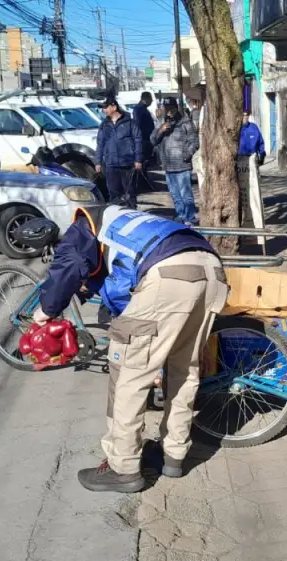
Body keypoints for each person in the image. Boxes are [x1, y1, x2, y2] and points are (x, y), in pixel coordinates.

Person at [33, 206, 229, 493]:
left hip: (168, 275)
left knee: (130, 375)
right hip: (212, 271)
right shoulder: (127, 220)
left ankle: (122, 467)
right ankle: (173, 455)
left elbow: (70, 266)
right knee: (184, 368)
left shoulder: (81, 227)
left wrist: (45, 310)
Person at [151, 98, 200, 225]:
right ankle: (181, 215)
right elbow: (153, 140)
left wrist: (186, 155)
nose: (169, 112)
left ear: (176, 108)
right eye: (166, 109)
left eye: (171, 109)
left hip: (182, 165)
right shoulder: (161, 122)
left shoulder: (185, 122)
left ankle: (190, 217)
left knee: (186, 194)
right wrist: (160, 130)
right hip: (168, 165)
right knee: (175, 194)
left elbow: (194, 141)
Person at [95, 95, 143, 207]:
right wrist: (98, 161)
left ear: (114, 107)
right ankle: (117, 217)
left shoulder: (130, 123)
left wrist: (138, 160)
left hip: (127, 164)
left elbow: (138, 141)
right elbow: (100, 143)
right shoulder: (104, 125)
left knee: (129, 193)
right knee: (114, 194)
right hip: (111, 165)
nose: (103, 110)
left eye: (106, 107)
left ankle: (132, 214)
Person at [236, 111, 267, 228]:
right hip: (239, 161)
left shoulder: (253, 128)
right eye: (243, 115)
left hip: (251, 161)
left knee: (253, 190)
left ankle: (254, 217)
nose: (245, 117)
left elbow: (260, 143)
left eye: (246, 115)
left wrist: (262, 155)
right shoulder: (236, 129)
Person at [133, 92, 156, 167]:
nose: (152, 101)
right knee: (143, 164)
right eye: (150, 99)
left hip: (146, 139)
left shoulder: (143, 109)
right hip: (143, 140)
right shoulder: (139, 109)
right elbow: (138, 125)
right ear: (146, 99)